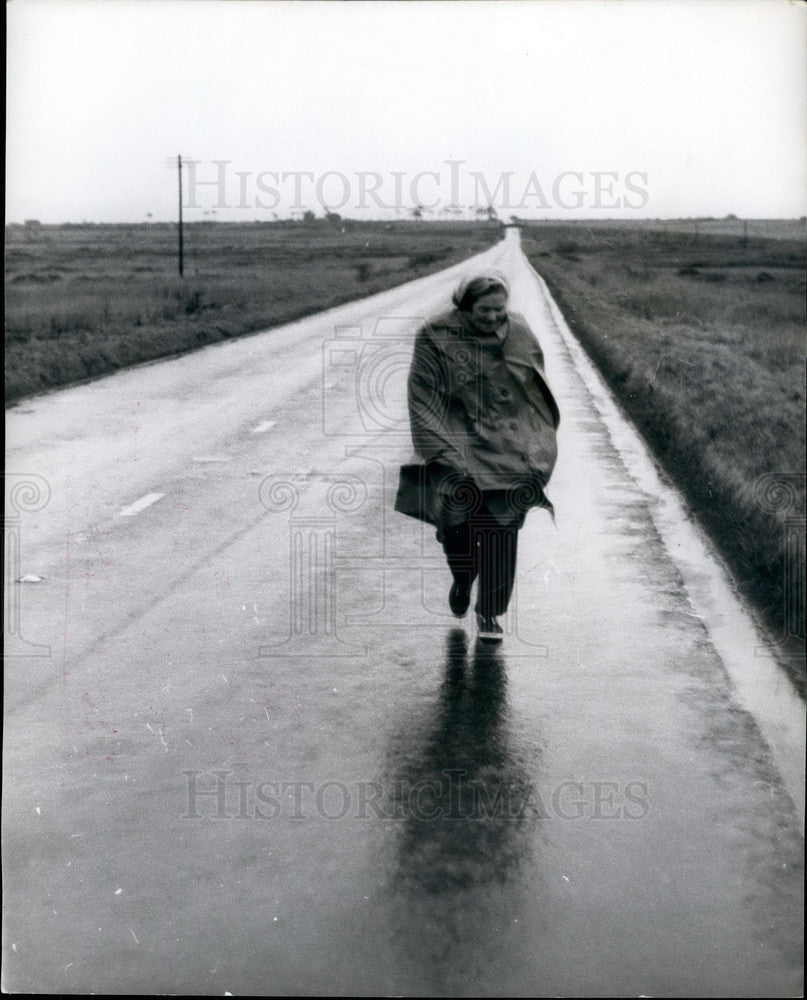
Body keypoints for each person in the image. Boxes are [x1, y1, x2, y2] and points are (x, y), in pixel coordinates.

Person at [394, 272, 560, 641]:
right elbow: (421, 397)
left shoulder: (518, 329)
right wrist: (441, 451)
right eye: (484, 310)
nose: (493, 317)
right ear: (465, 306)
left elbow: (534, 388)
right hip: (458, 442)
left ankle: (489, 614)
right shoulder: (435, 334)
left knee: (502, 531)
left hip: (507, 446)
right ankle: (462, 578)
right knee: (457, 527)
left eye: (499, 309)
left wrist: (538, 444)